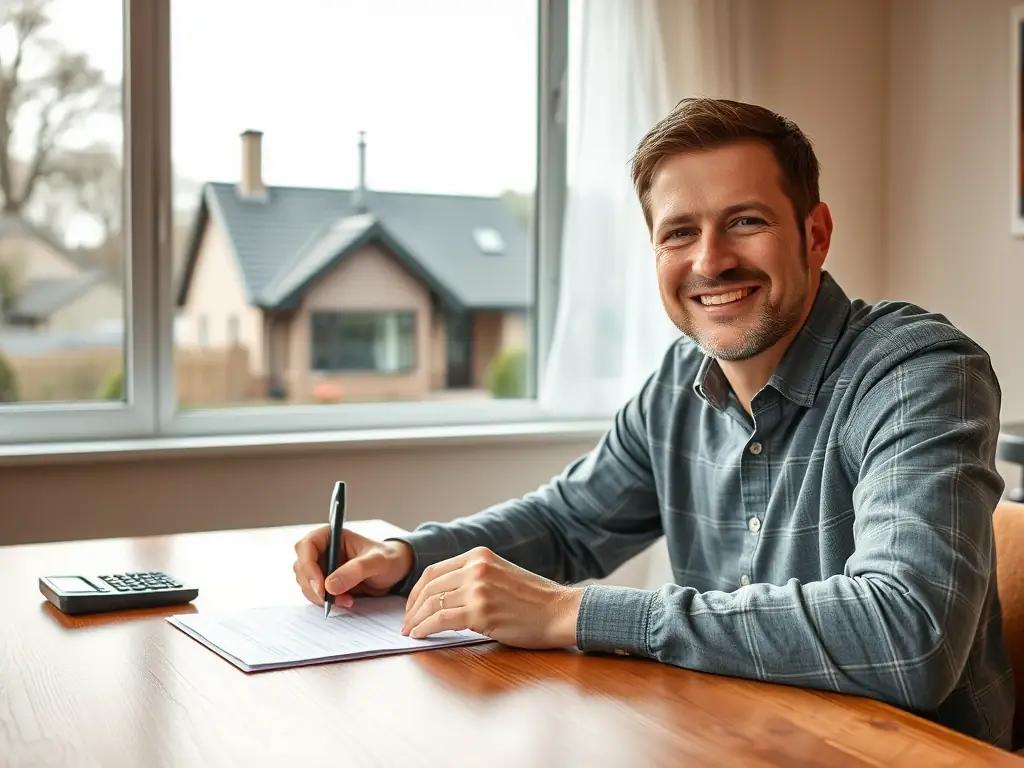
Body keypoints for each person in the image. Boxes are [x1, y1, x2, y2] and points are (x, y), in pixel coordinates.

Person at [291, 97, 1015, 748]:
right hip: (728, 742)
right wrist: (406, 558)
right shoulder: (679, 378)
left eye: (746, 221)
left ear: (815, 235)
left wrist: (581, 615)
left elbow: (907, 634)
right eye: (679, 233)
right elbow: (568, 524)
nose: (710, 260)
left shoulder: (917, 371)